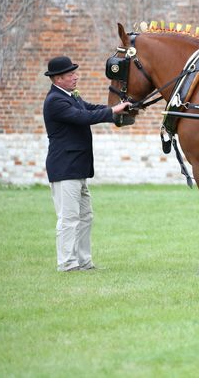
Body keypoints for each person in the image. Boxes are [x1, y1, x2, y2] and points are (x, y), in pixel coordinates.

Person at [43, 56, 130, 272]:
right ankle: (67, 263)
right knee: (69, 218)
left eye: (75, 73)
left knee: (86, 216)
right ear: (57, 79)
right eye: (70, 74)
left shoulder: (71, 96)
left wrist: (118, 109)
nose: (75, 77)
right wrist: (112, 112)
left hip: (77, 167)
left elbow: (89, 108)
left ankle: (84, 261)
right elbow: (82, 117)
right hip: (64, 168)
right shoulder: (55, 100)